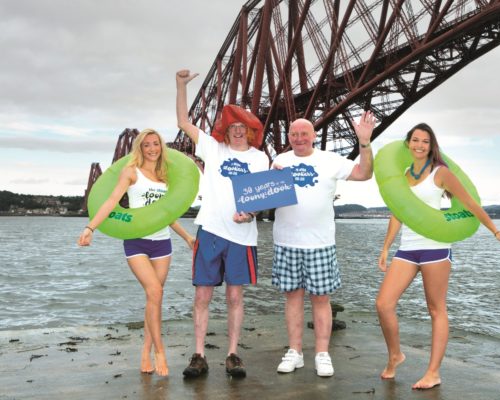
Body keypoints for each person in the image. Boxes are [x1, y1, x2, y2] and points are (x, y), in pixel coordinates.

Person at [376, 123, 500, 389]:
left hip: (436, 248)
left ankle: (433, 372)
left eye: (425, 141)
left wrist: (496, 232)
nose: (419, 145)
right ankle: (395, 355)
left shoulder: (441, 173)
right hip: (407, 249)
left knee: (435, 308)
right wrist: (385, 247)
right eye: (415, 140)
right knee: (383, 304)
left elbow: (470, 204)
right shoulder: (404, 175)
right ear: (408, 144)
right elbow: (399, 213)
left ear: (432, 145)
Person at [77, 129, 196, 377]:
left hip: (162, 243)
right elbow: (111, 201)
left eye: (156, 144)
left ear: (161, 147)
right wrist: (91, 227)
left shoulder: (165, 177)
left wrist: (186, 237)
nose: (152, 149)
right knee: (155, 291)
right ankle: (160, 352)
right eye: (146, 145)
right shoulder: (131, 172)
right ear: (140, 149)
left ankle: (145, 350)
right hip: (136, 242)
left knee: (154, 299)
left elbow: (165, 215)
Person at [176, 69, 270, 378]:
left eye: (243, 127)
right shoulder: (212, 149)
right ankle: (199, 354)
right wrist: (181, 85)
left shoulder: (260, 158)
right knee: (202, 295)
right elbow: (183, 122)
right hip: (212, 231)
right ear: (225, 131)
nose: (238, 132)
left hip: (242, 236)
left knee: (234, 296)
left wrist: (251, 212)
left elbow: (262, 197)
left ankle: (232, 354)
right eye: (233, 127)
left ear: (250, 131)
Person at [272, 112, 376, 377]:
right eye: (294, 134)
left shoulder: (330, 160)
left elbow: (364, 173)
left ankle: (322, 353)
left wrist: (365, 141)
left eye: (304, 133)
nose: (299, 138)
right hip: (286, 241)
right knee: (292, 299)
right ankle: (295, 352)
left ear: (314, 136)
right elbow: (265, 195)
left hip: (320, 243)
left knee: (321, 299)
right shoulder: (279, 161)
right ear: (289, 137)